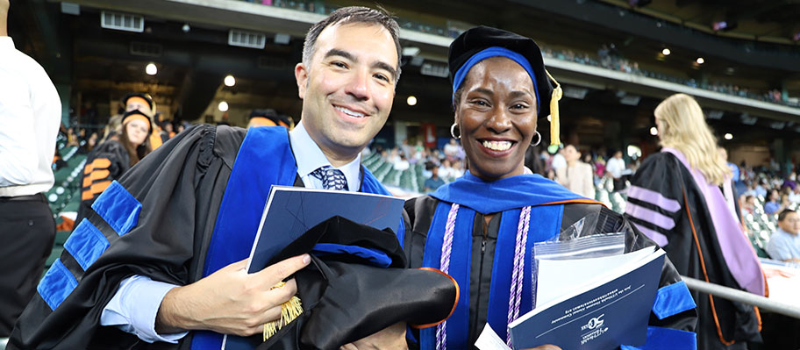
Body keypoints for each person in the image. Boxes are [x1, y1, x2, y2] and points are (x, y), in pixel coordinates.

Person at [10, 7, 452, 349]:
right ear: (303, 78)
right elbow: (90, 281)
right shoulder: (209, 155)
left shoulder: (391, 218)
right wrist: (182, 309)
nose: (361, 87)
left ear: (391, 94)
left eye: (381, 75)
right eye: (340, 64)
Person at [403, 26, 697, 350]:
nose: (500, 121)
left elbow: (671, 316)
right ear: (456, 112)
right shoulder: (415, 220)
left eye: (518, 106)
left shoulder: (592, 223)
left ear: (537, 121)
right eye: (480, 102)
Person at [626, 93, 764, 349]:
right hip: (725, 296)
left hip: (685, 297)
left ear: (668, 125)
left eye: (659, 123)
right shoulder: (719, 172)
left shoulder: (664, 166)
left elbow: (640, 242)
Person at [0, 0, 62, 336]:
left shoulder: (4, 68)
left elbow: (16, 167)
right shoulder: (26, 66)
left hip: (11, 215)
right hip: (22, 215)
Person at [77, 110, 152, 221]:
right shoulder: (111, 148)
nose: (137, 130)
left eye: (143, 129)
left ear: (146, 137)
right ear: (123, 128)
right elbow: (99, 191)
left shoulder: (137, 157)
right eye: (134, 125)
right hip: (96, 222)